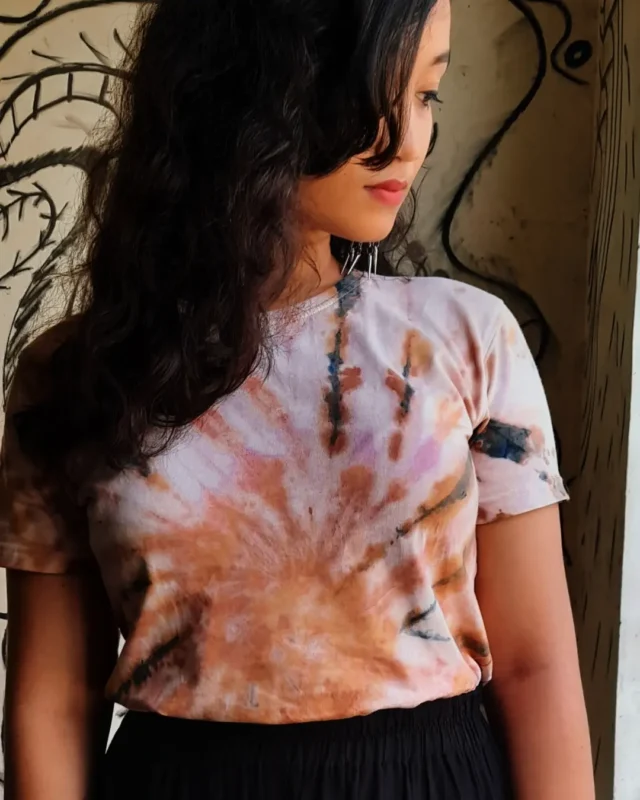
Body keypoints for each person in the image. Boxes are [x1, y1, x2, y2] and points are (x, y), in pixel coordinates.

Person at [0, 0, 595, 798]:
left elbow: (535, 668)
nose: (408, 140)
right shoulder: (78, 375)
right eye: (369, 93)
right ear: (249, 90)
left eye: (426, 95)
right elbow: (53, 699)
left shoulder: (465, 340)